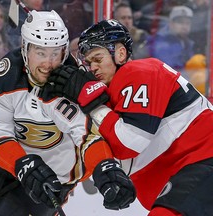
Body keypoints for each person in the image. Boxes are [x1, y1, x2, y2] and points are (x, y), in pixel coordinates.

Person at [0, 11, 136, 216]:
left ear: (64, 51)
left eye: (55, 53)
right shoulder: (5, 76)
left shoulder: (77, 84)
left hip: (53, 177)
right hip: (3, 163)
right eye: (40, 53)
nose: (48, 63)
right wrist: (21, 163)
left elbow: (88, 137)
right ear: (25, 49)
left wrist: (104, 166)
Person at [46, 19, 213, 216]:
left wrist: (95, 105)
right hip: (184, 174)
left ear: (120, 53)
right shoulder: (110, 94)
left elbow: (130, 142)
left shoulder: (139, 72)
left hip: (202, 162)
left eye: (98, 59)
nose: (92, 68)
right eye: (88, 63)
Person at [147, 5, 195, 74]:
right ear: (171, 23)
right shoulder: (160, 41)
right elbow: (169, 69)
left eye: (187, 23)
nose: (185, 27)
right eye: (180, 22)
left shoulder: (187, 43)